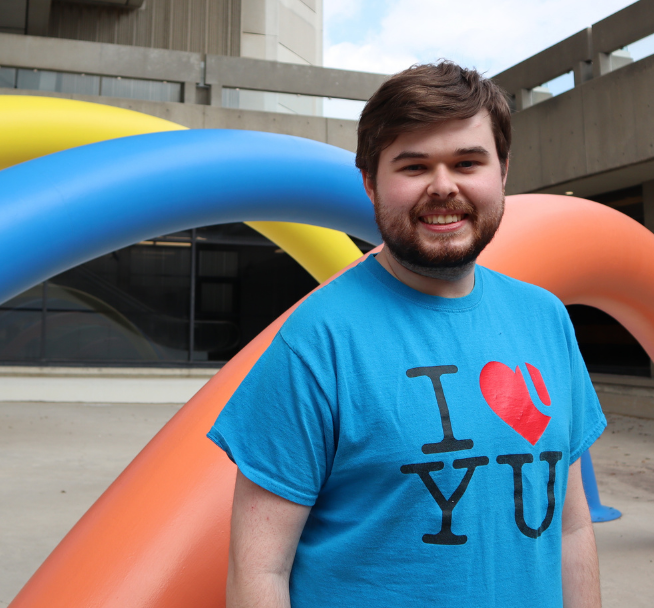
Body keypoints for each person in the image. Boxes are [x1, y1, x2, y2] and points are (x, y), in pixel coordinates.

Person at [207, 61, 606, 608]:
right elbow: (258, 572)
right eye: (414, 166)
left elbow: (570, 529)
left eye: (468, 162)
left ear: (503, 171)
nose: (444, 187)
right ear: (371, 181)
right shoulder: (317, 340)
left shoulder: (546, 318)